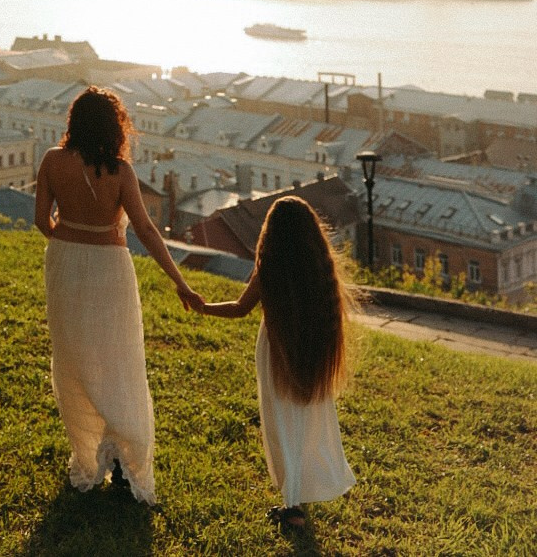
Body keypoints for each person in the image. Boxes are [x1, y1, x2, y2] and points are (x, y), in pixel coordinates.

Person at [34, 86, 203, 504]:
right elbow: (146, 231)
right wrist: (181, 283)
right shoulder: (122, 172)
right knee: (119, 360)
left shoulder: (52, 161)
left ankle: (90, 454)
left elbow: (41, 221)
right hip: (111, 268)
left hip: (66, 261)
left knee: (73, 357)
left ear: (74, 121)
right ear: (116, 127)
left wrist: (71, 241)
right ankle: (124, 456)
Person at [194, 194, 357, 534]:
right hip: (310, 348)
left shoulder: (271, 264)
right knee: (305, 422)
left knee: (281, 424)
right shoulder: (319, 267)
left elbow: (241, 308)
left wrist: (203, 307)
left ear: (272, 233)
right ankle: (299, 495)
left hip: (276, 350)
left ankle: (293, 504)